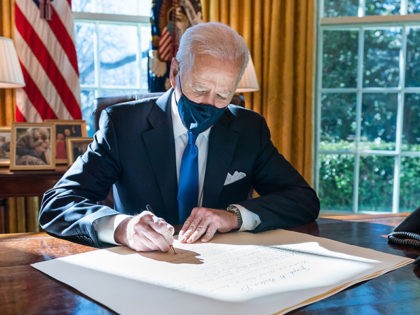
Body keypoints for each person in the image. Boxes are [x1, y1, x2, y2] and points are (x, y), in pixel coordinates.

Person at [39, 22, 320, 252]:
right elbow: (57, 203)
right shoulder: (122, 125)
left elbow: (303, 199)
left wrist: (234, 216)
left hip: (227, 269)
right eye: (198, 89)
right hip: (141, 269)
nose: (209, 103)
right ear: (175, 72)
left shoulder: (249, 129)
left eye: (223, 94)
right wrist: (121, 227)